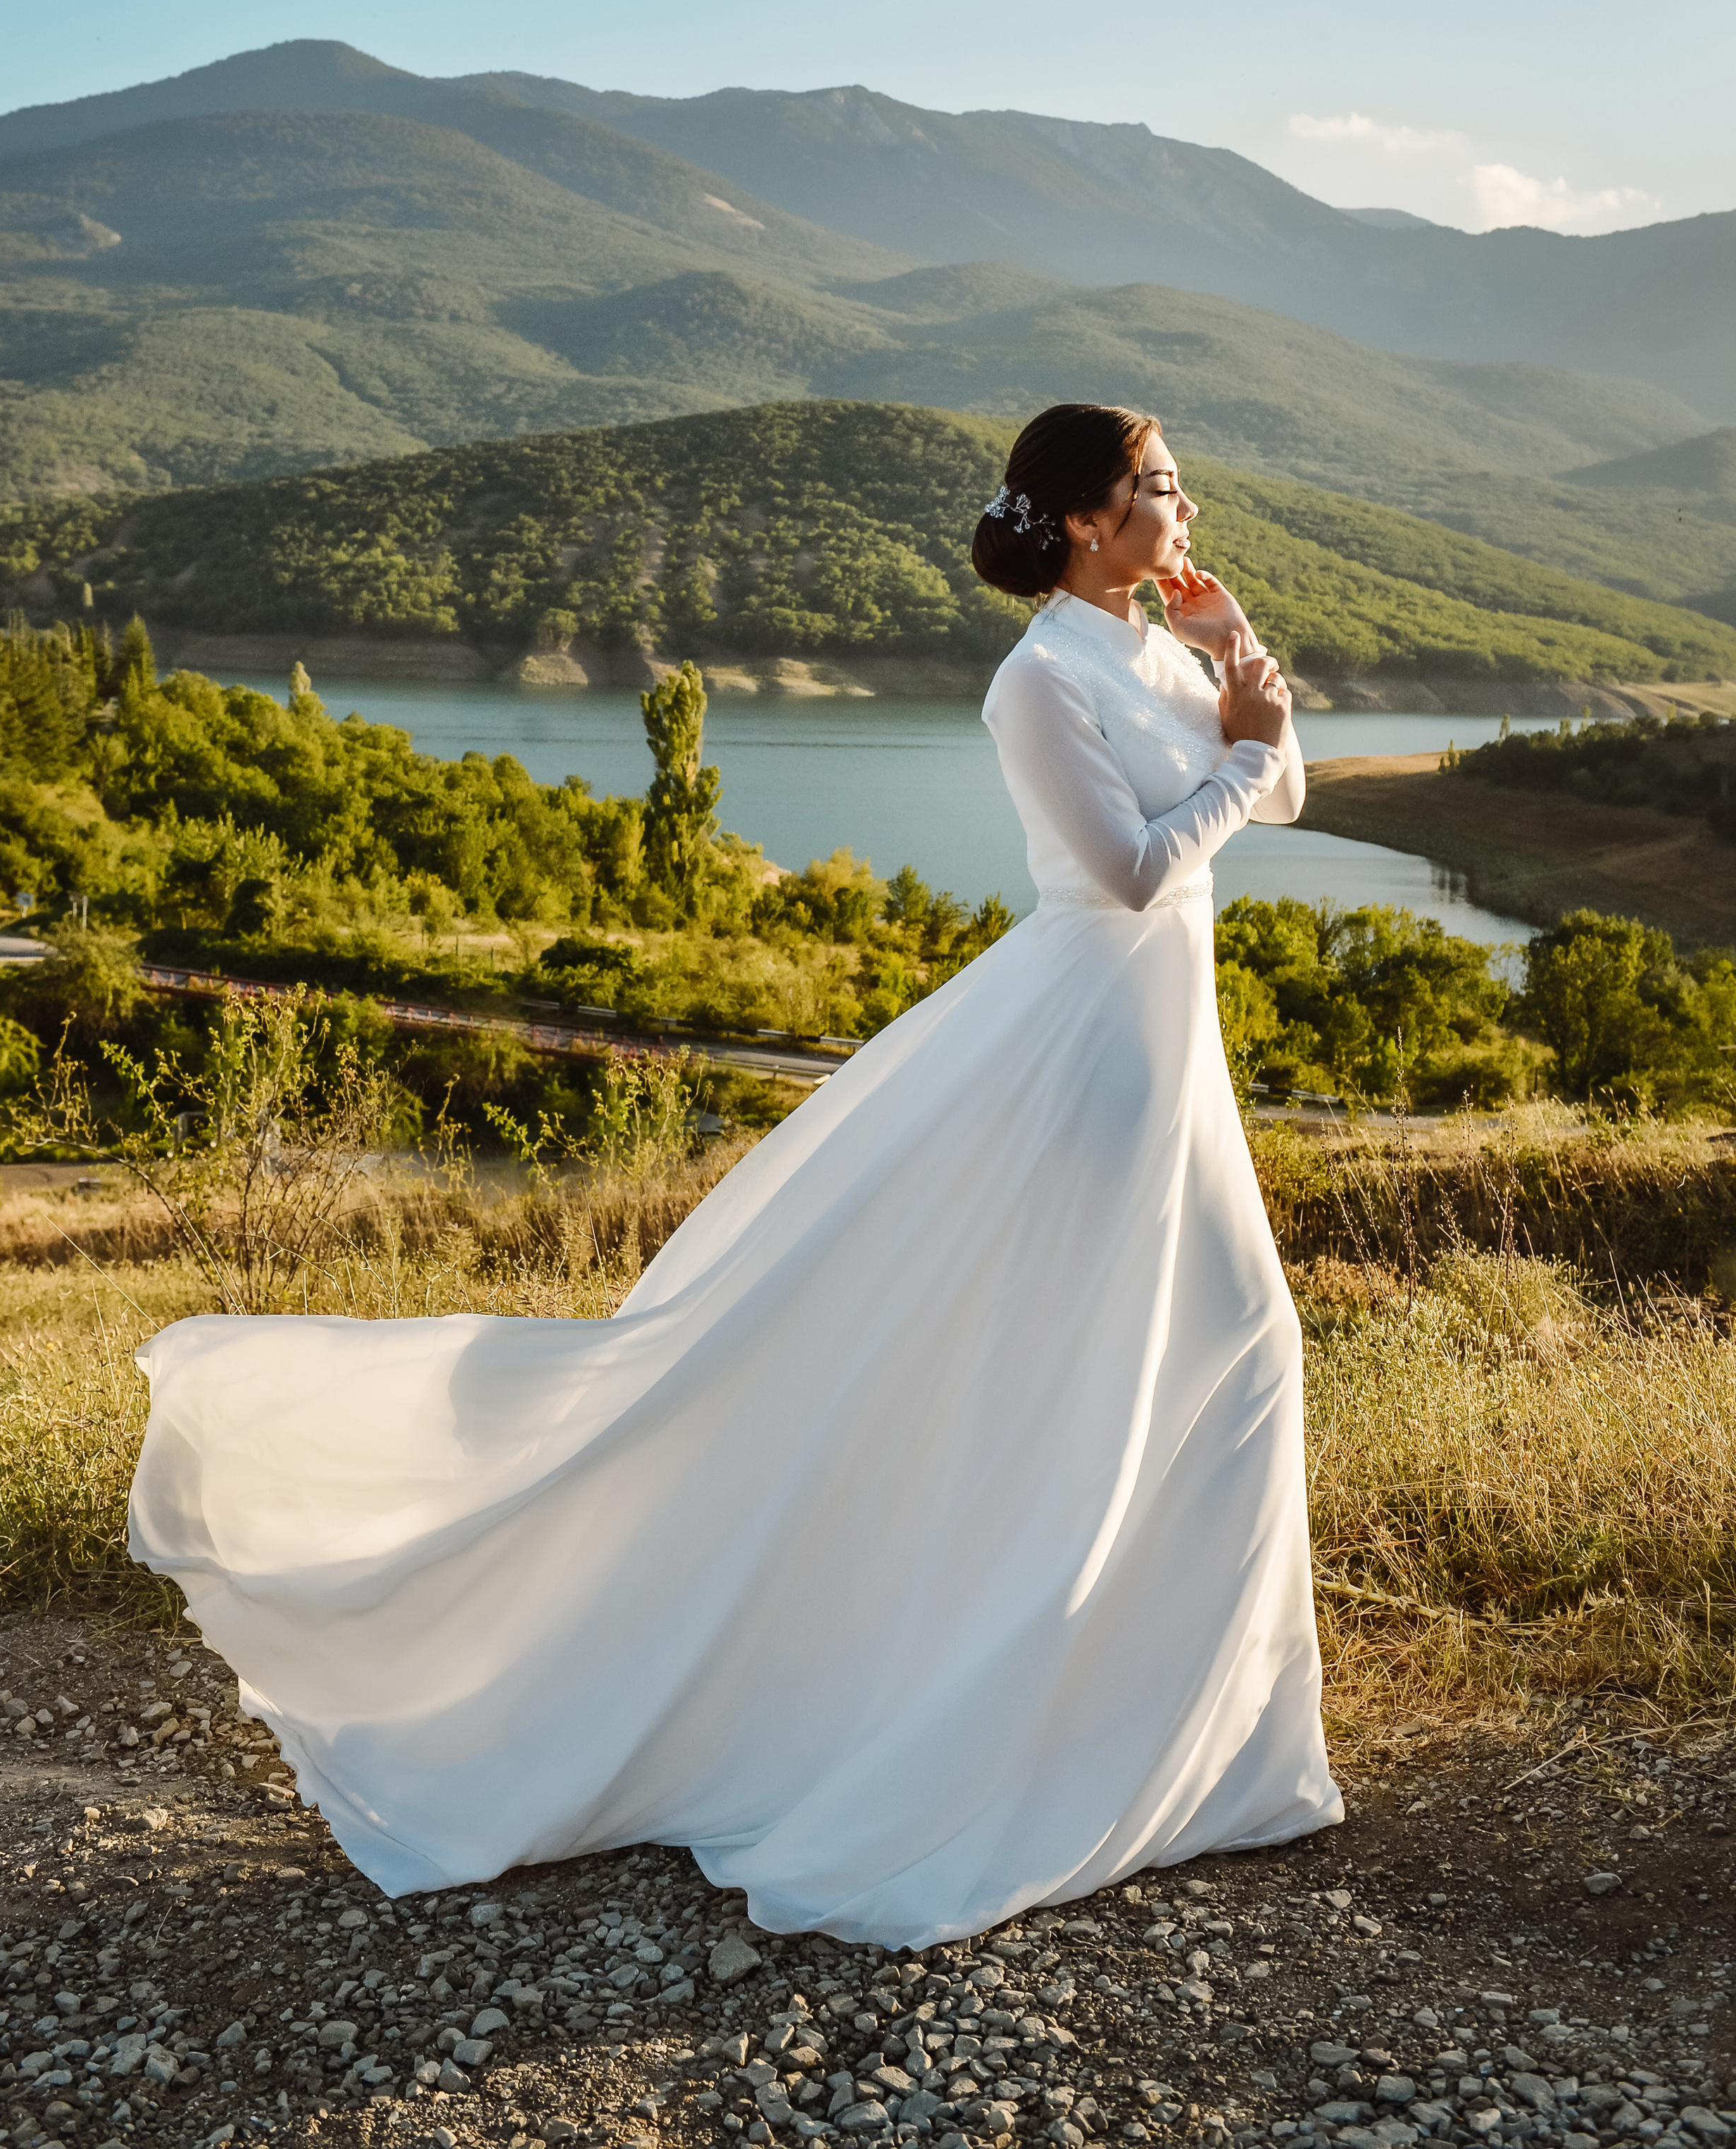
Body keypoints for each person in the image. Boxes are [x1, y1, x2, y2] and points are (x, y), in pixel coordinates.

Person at [128, 399, 1342, 1951]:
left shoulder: (1165, 649)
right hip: (1089, 1050)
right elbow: (1128, 873)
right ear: (1089, 521)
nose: (1187, 507)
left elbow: (1280, 795)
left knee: (1216, 1344)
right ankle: (1058, 1728)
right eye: (1162, 486)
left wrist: (1240, 668)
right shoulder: (1036, 681)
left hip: (1168, 1044)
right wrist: (1243, 756)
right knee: (1175, 1345)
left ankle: (1203, 1744)